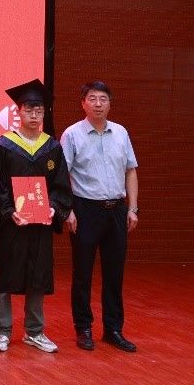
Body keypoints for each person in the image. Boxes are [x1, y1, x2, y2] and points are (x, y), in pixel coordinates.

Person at [0, 79, 71, 355]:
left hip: (40, 224)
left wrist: (53, 208)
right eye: (29, 110)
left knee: (38, 273)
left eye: (39, 110)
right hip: (13, 223)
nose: (34, 115)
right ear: (19, 112)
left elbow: (60, 186)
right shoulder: (2, 146)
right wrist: (9, 211)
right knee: (6, 274)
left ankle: (34, 331)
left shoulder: (52, 148)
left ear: (44, 113)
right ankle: (2, 330)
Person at [61, 81, 140, 353]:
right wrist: (68, 210)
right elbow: (63, 175)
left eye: (103, 99)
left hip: (116, 209)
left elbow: (131, 170)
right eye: (92, 98)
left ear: (109, 103)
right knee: (82, 273)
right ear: (83, 103)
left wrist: (132, 208)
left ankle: (113, 329)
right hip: (85, 209)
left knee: (114, 273)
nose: (98, 104)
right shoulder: (72, 134)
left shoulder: (121, 132)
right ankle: (83, 328)